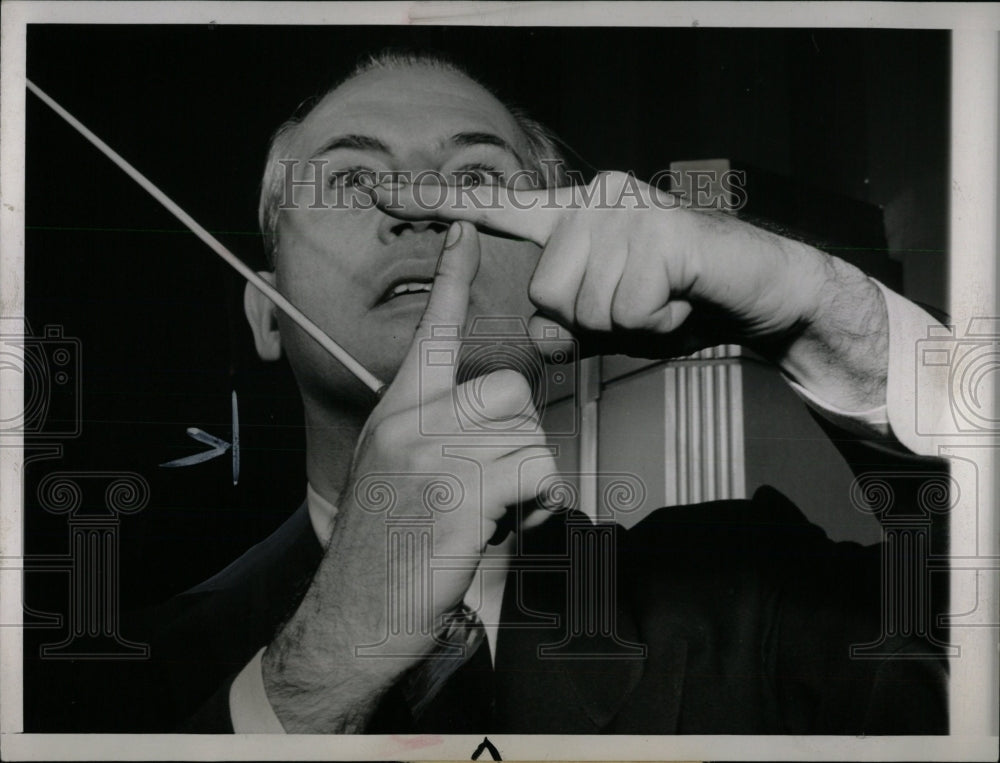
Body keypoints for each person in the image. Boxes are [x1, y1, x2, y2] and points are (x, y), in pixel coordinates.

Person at [40, 50, 951, 735]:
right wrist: (311, 680)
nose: (423, 206)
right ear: (265, 314)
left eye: (476, 177)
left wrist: (823, 312)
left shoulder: (758, 598)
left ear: (551, 266)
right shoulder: (96, 672)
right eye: (353, 180)